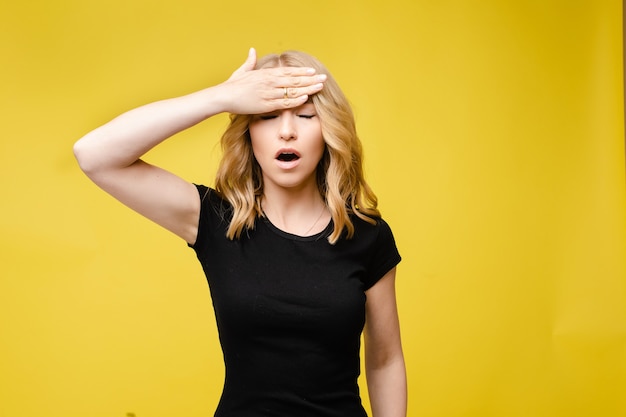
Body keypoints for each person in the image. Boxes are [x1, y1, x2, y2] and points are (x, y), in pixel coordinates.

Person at [74, 48, 406, 417]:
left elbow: (385, 360)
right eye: (266, 115)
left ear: (328, 129)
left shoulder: (367, 236)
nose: (287, 131)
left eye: (305, 115)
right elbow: (93, 154)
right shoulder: (217, 221)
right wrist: (220, 97)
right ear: (248, 133)